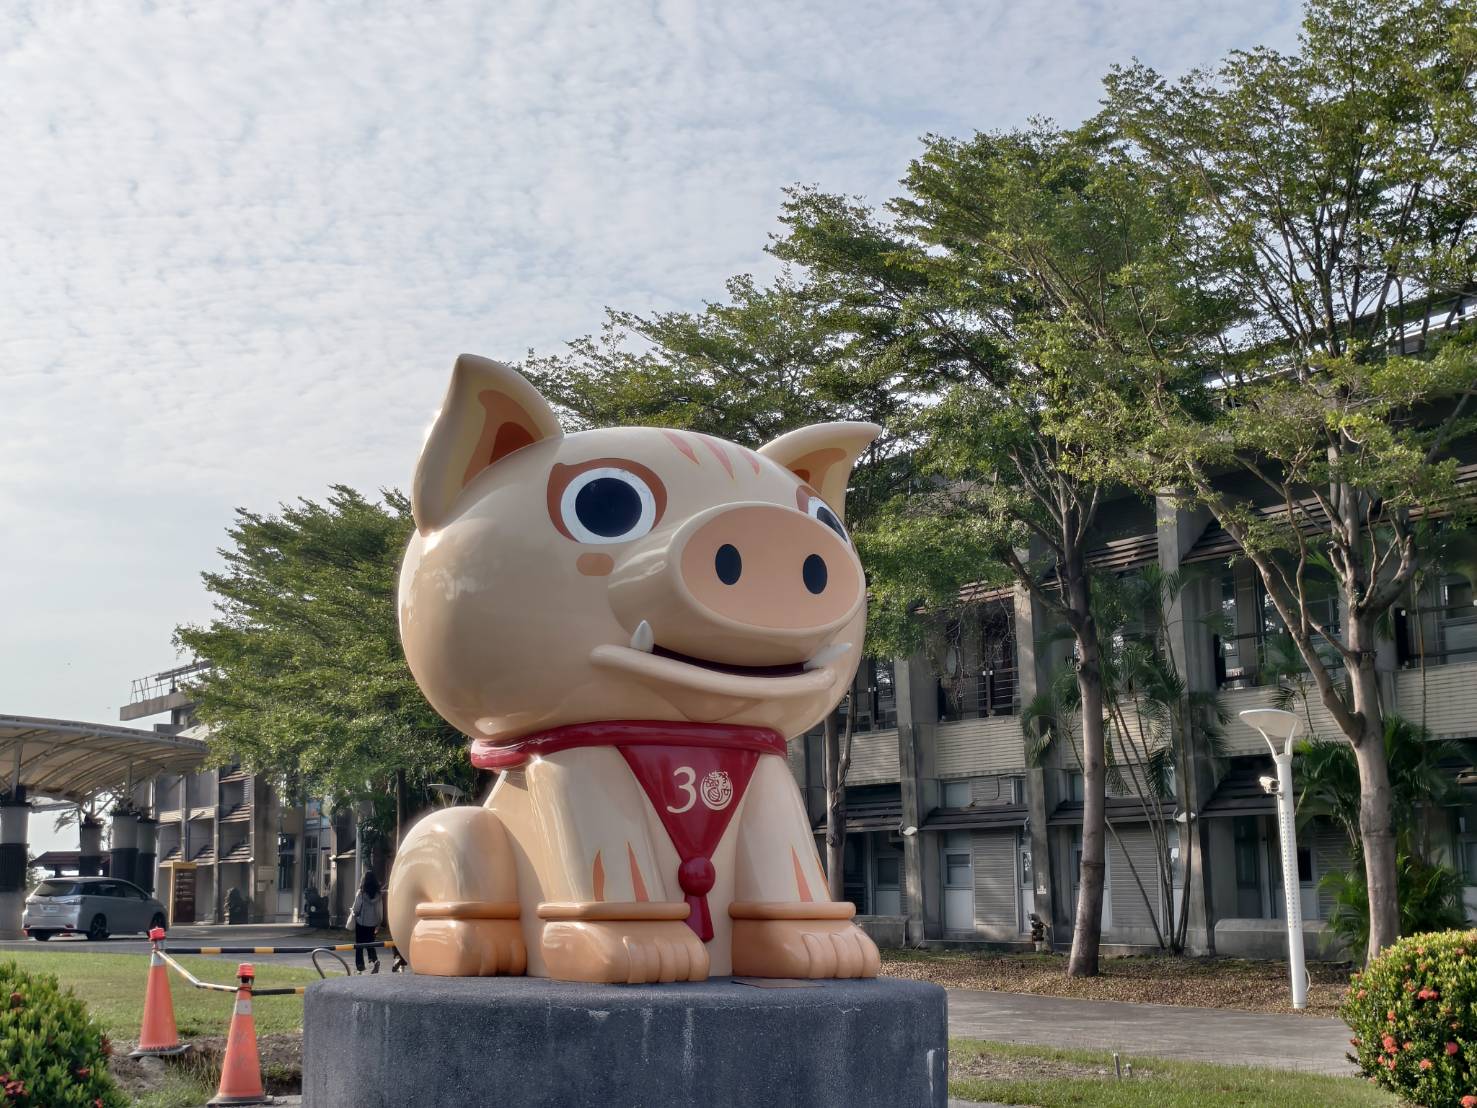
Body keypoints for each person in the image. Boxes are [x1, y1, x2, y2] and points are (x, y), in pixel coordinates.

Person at [350, 871, 383, 974]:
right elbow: (380, 909)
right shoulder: (378, 894)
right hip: (373, 922)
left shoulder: (361, 893)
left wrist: (353, 912)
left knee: (359, 945)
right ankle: (375, 961)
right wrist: (379, 922)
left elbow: (356, 908)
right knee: (370, 943)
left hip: (362, 922)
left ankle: (360, 966)